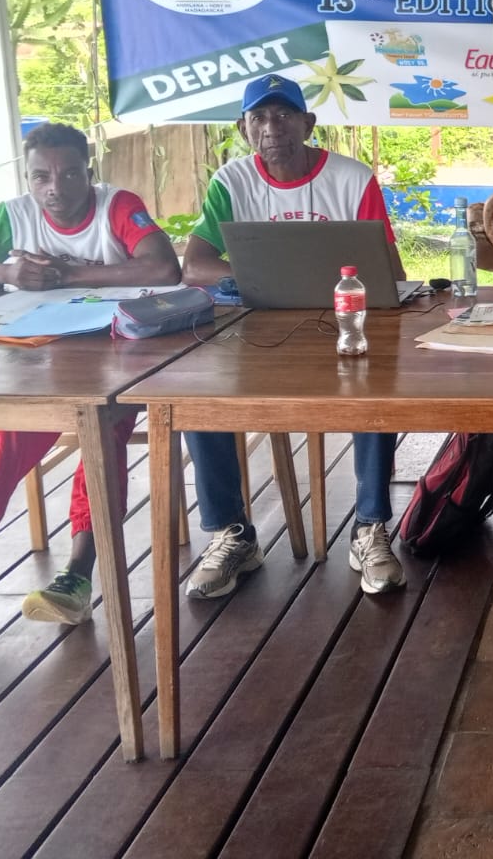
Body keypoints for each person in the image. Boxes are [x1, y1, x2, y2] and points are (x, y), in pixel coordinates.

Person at [0, 123, 180, 626]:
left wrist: (62, 274)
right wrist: (6, 273)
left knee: (102, 430)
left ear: (90, 172)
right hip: (40, 356)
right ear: (29, 177)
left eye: (68, 174)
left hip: (120, 358)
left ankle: (78, 574)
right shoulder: (14, 216)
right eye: (41, 176)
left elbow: (161, 269)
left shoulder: (116, 206)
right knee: (7, 434)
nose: (54, 188)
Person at [179, 74, 406, 600]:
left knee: (376, 381)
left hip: (340, 326)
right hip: (257, 334)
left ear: (308, 123)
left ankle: (369, 528)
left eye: (283, 115)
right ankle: (234, 535)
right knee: (196, 392)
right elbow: (195, 266)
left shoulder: (352, 179)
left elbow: (390, 272)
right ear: (243, 128)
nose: (271, 128)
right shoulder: (231, 181)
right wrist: (261, 280)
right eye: (258, 118)